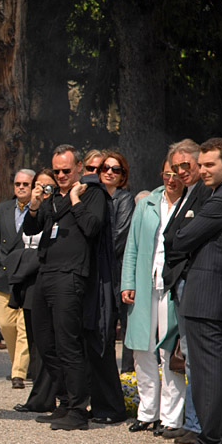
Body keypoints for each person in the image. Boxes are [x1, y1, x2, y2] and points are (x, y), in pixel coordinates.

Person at [165, 138, 222, 444]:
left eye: (210, 164)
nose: (203, 170)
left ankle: (210, 442)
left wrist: (185, 227)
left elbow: (179, 238)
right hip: (220, 295)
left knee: (210, 370)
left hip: (208, 295)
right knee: (221, 369)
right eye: (202, 164)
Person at [23, 145, 106, 431]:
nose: (60, 175)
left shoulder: (91, 193)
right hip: (45, 273)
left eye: (66, 171)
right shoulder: (51, 198)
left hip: (71, 275)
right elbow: (32, 229)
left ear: (79, 167)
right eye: (56, 171)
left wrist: (74, 199)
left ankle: (79, 408)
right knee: (45, 342)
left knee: (69, 342)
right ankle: (64, 400)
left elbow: (93, 227)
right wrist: (34, 205)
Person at [121, 160, 187, 436]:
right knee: (142, 348)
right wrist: (127, 282)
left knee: (169, 350)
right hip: (145, 283)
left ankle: (171, 417)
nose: (171, 179)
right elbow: (132, 245)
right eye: (166, 174)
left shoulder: (189, 203)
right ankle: (146, 412)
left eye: (176, 174)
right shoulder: (147, 203)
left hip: (172, 285)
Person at [159, 139, 211, 444]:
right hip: (179, 280)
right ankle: (190, 419)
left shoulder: (205, 193)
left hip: (193, 279)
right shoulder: (187, 194)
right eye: (175, 167)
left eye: (186, 166)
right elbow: (170, 236)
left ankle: (196, 423)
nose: (180, 172)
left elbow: (184, 238)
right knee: (185, 355)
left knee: (195, 356)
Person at [83, 150, 129, 425]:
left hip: (113, 278)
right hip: (93, 277)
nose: (109, 172)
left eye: (116, 169)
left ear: (123, 175)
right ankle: (97, 402)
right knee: (91, 342)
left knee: (104, 341)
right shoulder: (95, 197)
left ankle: (113, 405)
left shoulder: (123, 201)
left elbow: (117, 240)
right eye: (104, 168)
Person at [13, 169, 58, 414]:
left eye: (47, 186)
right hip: (30, 277)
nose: (42, 190)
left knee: (46, 341)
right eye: (38, 185)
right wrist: (34, 204)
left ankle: (45, 395)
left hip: (50, 273)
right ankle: (40, 394)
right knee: (34, 339)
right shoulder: (33, 208)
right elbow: (26, 231)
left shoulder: (59, 208)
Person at [0, 169, 34, 388]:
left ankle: (18, 372)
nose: (21, 187)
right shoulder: (3, 209)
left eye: (25, 184)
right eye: (17, 184)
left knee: (24, 326)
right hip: (3, 275)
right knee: (5, 323)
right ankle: (22, 363)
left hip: (27, 274)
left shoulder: (39, 209)